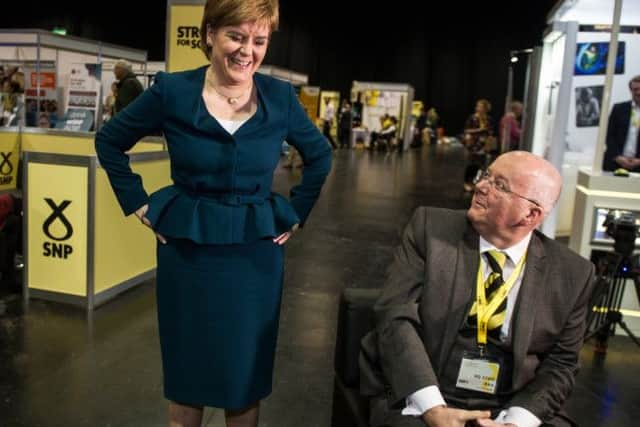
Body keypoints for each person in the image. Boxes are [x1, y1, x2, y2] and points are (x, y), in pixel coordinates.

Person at [94, 1, 332, 426]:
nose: (247, 51)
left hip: (255, 259)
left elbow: (319, 155)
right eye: (236, 37)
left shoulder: (280, 97)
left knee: (244, 382)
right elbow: (110, 141)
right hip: (188, 254)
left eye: (259, 41)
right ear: (208, 35)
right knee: (187, 379)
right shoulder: (173, 91)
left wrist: (295, 212)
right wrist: (139, 203)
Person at [360, 151, 595, 427]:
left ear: (531, 214)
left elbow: (561, 363)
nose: (481, 186)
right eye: (487, 176)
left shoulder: (572, 273)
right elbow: (395, 318)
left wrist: (515, 422)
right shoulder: (430, 229)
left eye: (500, 186)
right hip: (425, 391)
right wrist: (433, 408)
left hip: (510, 403)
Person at [603, 75, 640, 172]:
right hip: (615, 164)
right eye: (635, 89)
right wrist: (617, 157)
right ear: (631, 91)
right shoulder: (618, 109)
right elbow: (609, 135)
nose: (638, 92)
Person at [463, 99, 495, 192]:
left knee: (481, 165)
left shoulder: (489, 119)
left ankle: (476, 182)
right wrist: (479, 130)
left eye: (480, 106)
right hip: (473, 144)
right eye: (477, 106)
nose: (477, 108)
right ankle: (467, 182)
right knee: (471, 164)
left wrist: (488, 138)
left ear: (485, 108)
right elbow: (466, 130)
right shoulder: (472, 118)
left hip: (484, 145)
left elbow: (491, 131)